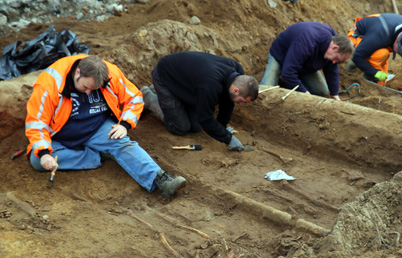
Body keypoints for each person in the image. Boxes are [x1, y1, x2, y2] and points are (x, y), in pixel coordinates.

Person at [25, 54, 186, 198]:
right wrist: (45, 153)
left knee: (122, 143)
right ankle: (98, 156)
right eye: (85, 87)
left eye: (94, 89)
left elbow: (134, 98)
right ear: (78, 72)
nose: (88, 93)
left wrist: (124, 124)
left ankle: (161, 179)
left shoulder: (111, 74)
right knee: (37, 160)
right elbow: (37, 123)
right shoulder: (50, 83)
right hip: (60, 133)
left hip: (97, 126)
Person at [141, 51, 259, 152]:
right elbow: (205, 118)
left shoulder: (236, 72)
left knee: (195, 126)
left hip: (188, 82)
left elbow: (228, 101)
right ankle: (149, 97)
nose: (241, 104)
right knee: (181, 127)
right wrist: (228, 138)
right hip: (165, 75)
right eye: (243, 101)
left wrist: (222, 127)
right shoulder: (210, 86)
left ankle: (166, 96)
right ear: (237, 90)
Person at [260, 21, 354, 100]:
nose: (334, 62)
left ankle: (290, 81)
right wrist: (304, 93)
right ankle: (284, 78)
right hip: (280, 56)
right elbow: (288, 72)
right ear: (335, 48)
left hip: (302, 63)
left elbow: (332, 70)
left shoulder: (335, 41)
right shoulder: (307, 42)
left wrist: (334, 94)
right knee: (266, 92)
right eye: (336, 59)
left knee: (321, 91)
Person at [346, 13, 402, 87]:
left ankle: (369, 69)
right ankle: (361, 75)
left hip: (378, 35)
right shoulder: (379, 36)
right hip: (358, 35)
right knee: (381, 54)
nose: (401, 56)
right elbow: (357, 56)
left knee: (382, 82)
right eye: (400, 52)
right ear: (396, 41)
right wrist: (374, 72)